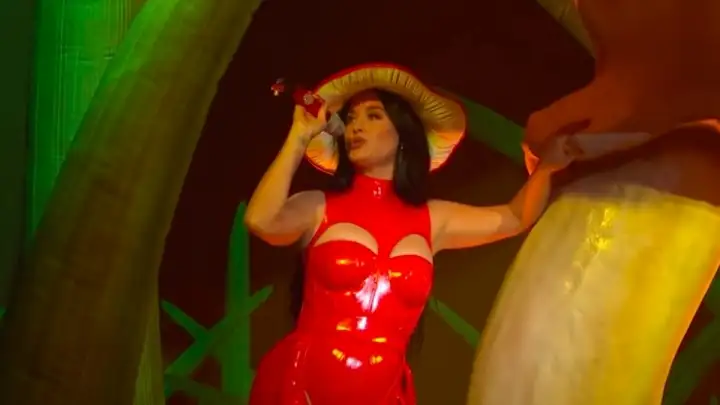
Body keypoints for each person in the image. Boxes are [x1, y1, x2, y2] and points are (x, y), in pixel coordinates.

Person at [244, 63, 578, 405]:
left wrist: (547, 168)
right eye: (351, 117)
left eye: (374, 116)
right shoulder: (318, 206)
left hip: (385, 393)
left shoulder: (433, 219)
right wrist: (299, 136)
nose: (356, 126)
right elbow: (261, 221)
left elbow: (515, 217)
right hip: (302, 387)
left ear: (404, 132)